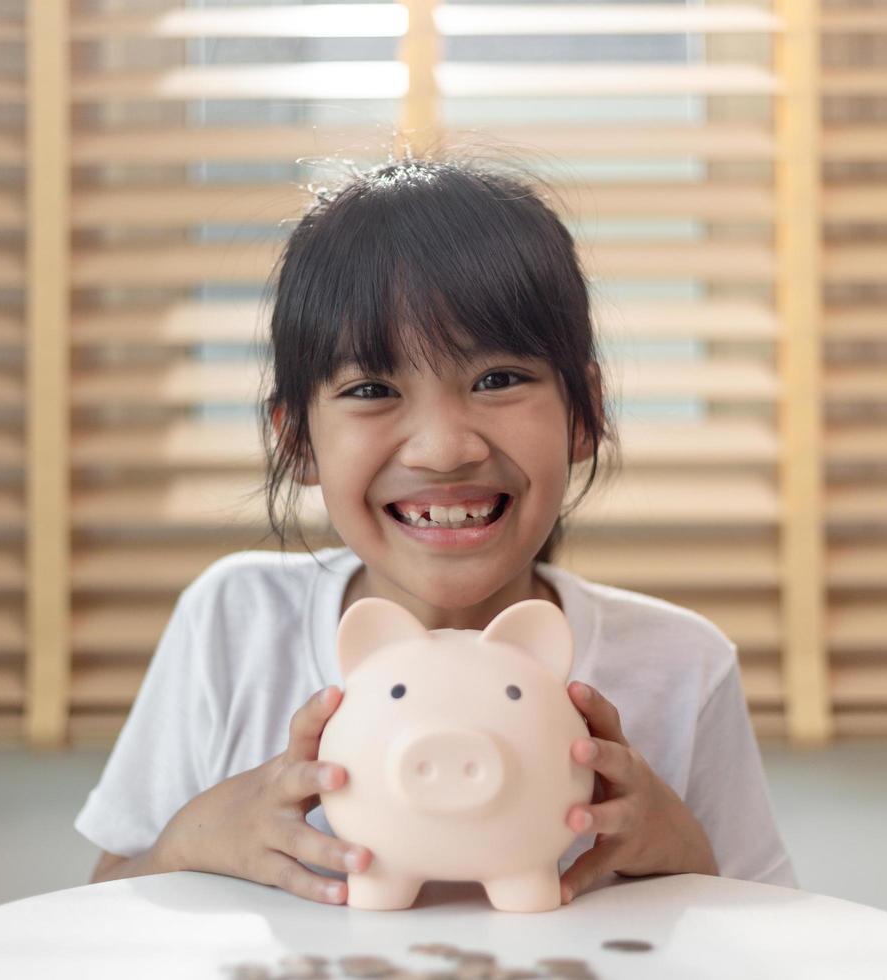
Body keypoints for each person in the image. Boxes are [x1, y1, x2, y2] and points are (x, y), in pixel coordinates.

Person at [74, 155, 796, 905]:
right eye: (373, 389)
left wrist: (685, 860)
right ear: (298, 441)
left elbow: (776, 938)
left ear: (586, 412)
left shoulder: (680, 667)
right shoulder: (235, 623)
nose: (445, 447)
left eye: (497, 380)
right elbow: (99, 912)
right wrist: (192, 840)